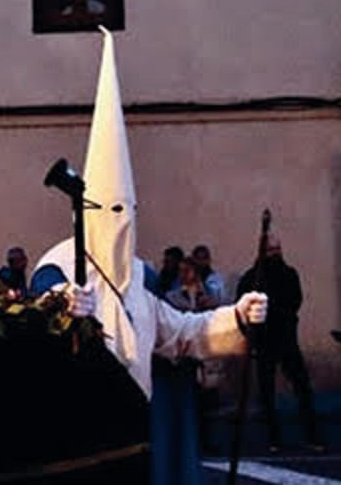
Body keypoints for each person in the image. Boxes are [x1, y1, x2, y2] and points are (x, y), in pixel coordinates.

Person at [32, 28, 268, 485]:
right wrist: (60, 310)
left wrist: (237, 316)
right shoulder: (59, 265)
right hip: (75, 438)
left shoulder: (139, 279)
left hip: (133, 435)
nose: (121, 223)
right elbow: (34, 319)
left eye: (129, 212)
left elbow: (182, 334)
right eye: (110, 211)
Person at [236, 229, 323, 453]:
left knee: (302, 387)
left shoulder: (288, 274)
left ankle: (312, 436)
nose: (275, 254)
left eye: (278, 250)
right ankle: (275, 439)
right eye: (271, 251)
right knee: (267, 393)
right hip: (266, 342)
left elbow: (296, 301)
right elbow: (242, 309)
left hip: (286, 340)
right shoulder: (252, 278)